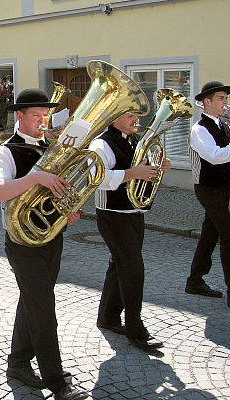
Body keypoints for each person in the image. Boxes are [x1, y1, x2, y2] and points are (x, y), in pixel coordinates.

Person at [0, 88, 86, 400]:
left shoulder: (52, 149)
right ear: (20, 115)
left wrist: (68, 208)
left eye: (45, 115)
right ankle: (56, 381)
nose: (42, 121)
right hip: (22, 242)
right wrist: (36, 178)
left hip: (50, 237)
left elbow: (56, 192)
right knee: (43, 307)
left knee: (32, 300)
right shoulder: (6, 151)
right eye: (35, 115)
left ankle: (17, 363)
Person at [89, 111, 170, 351]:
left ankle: (107, 316)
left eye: (137, 115)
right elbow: (95, 177)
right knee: (133, 269)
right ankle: (135, 330)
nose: (136, 119)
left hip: (134, 211)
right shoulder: (101, 143)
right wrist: (132, 173)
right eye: (130, 115)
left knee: (119, 264)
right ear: (114, 117)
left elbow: (143, 173)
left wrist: (158, 168)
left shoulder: (134, 140)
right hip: (112, 214)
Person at [186, 81, 230, 305]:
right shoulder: (199, 129)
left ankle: (195, 280)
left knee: (210, 233)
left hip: (223, 187)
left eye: (225, 98)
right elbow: (215, 156)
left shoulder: (223, 124)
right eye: (221, 99)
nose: (225, 103)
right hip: (208, 188)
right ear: (207, 102)